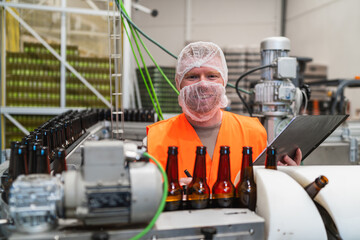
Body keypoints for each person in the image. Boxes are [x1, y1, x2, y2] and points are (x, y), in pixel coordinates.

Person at [146, 41, 301, 190]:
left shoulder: (253, 132)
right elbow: (142, 197)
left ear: (224, 81)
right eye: (192, 76)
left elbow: (267, 190)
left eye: (212, 76)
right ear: (178, 83)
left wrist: (288, 177)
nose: (203, 84)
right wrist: (165, 190)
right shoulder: (155, 139)